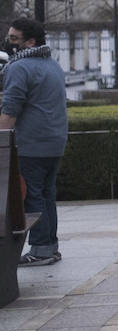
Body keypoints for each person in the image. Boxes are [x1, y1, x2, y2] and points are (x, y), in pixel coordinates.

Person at [1, 17, 69, 266]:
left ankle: (40, 250)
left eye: (14, 39)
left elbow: (10, 109)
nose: (9, 43)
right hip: (54, 142)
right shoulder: (52, 65)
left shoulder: (20, 68)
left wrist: (1, 140)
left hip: (31, 143)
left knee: (32, 197)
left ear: (30, 41)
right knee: (47, 195)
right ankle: (50, 246)